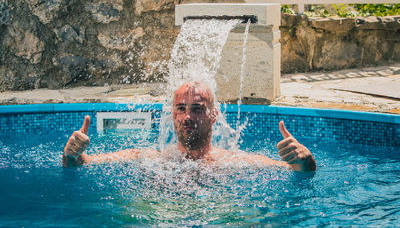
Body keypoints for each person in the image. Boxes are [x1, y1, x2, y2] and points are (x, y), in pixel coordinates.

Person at [63, 82, 316, 172]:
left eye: (197, 108)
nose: (187, 116)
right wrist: (72, 154)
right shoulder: (150, 158)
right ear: (172, 115)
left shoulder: (235, 161)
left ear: (213, 115)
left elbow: (294, 169)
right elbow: (85, 163)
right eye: (181, 109)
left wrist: (305, 160)